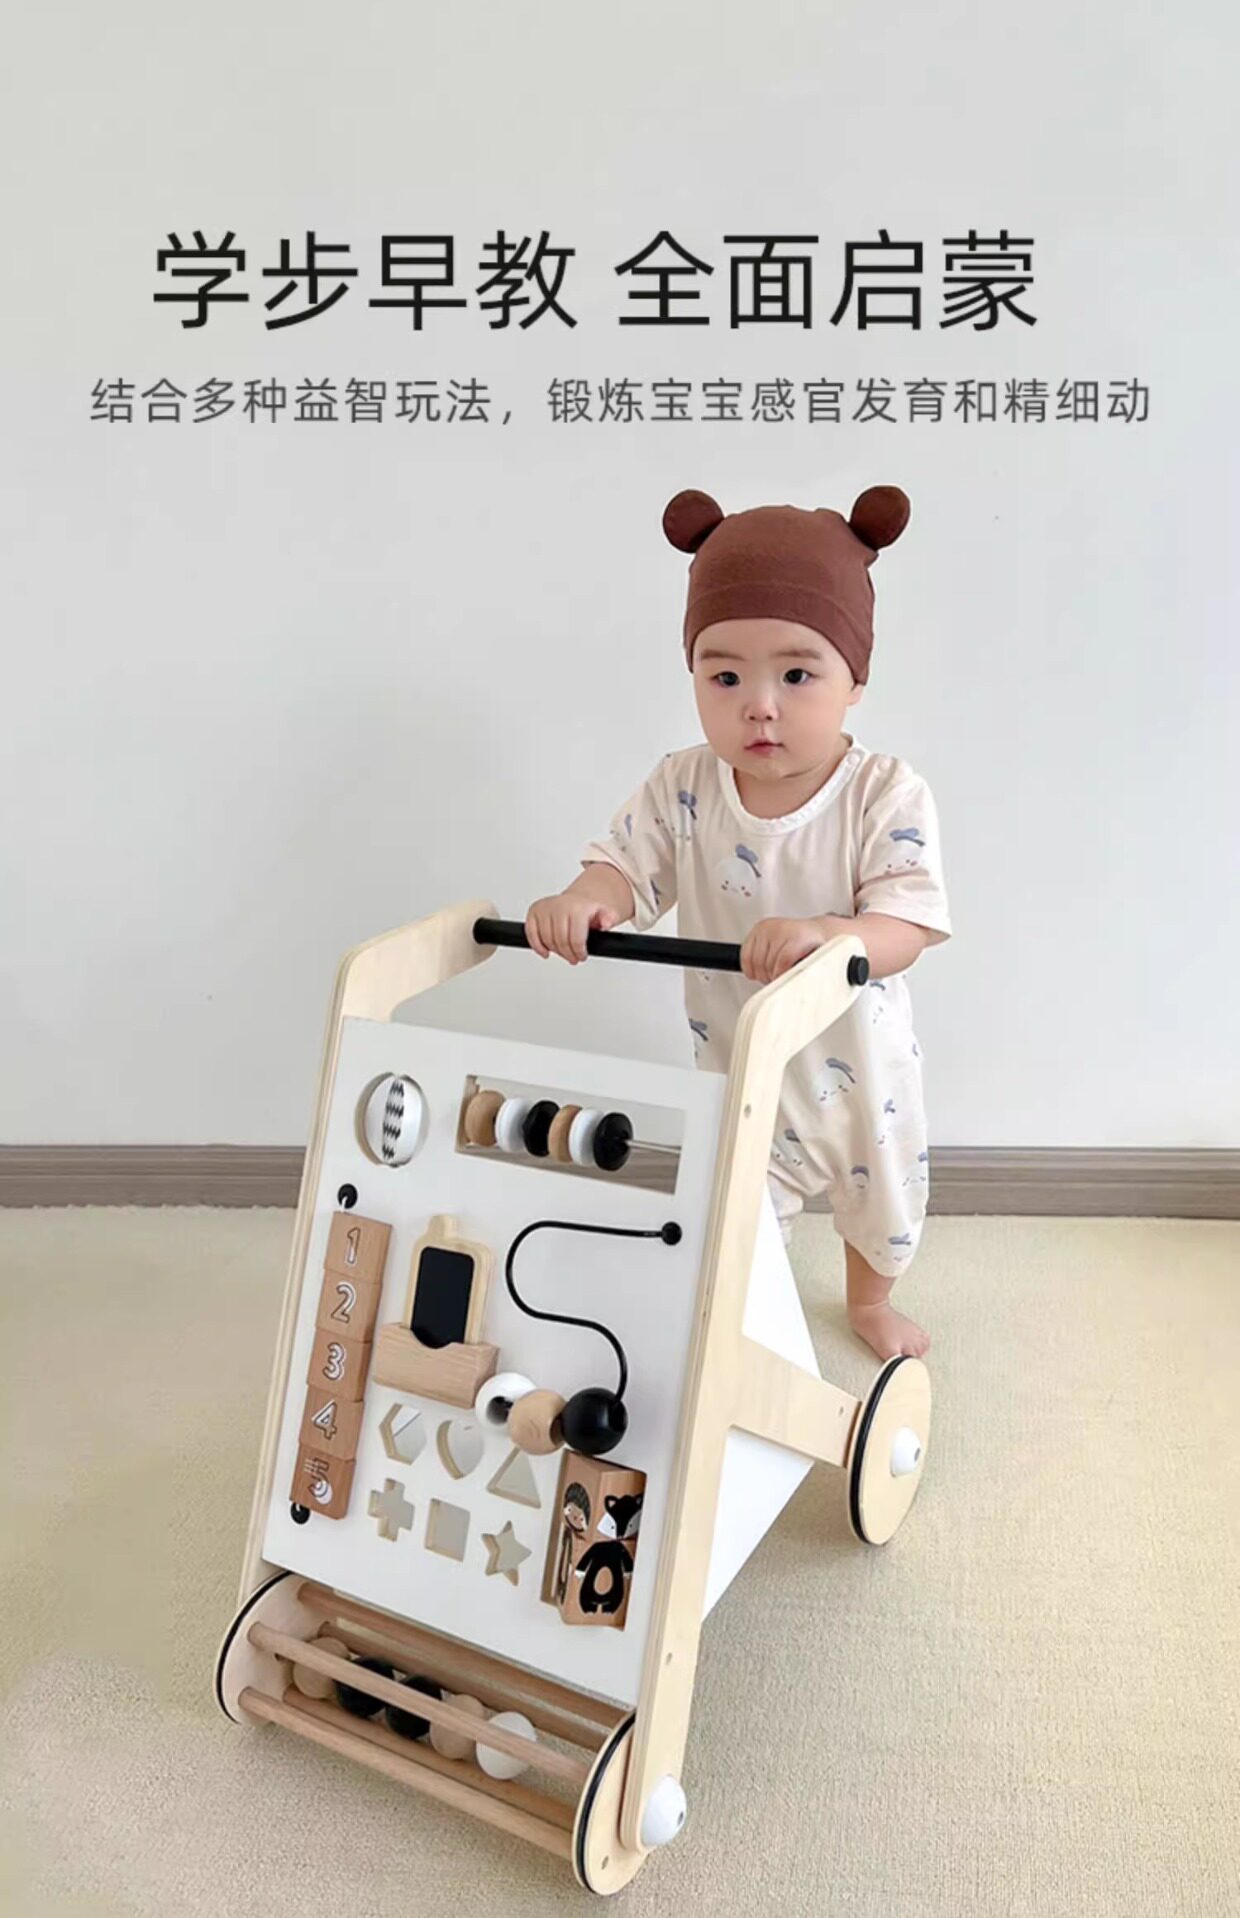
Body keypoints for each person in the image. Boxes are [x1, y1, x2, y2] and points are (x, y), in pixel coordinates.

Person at [524, 486, 952, 1361]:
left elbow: (908, 925)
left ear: (855, 680)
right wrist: (586, 896)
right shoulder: (683, 786)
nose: (759, 704)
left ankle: (869, 1303)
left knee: (883, 1211)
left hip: (861, 1079)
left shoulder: (884, 793)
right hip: (742, 1070)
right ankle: (746, 1332)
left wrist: (833, 934)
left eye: (796, 675)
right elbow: (626, 865)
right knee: (732, 1217)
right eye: (725, 677)